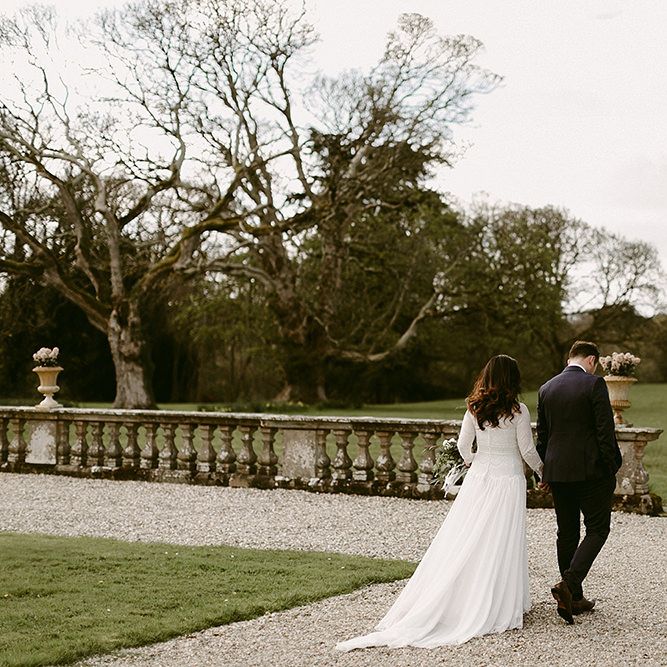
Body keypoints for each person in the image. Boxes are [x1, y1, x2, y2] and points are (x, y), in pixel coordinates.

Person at [336, 355, 543, 651]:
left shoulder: (474, 407)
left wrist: (476, 463)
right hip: (508, 480)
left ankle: (465, 597)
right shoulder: (518, 410)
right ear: (513, 379)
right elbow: (526, 449)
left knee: (468, 538)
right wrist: (543, 471)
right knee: (501, 538)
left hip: (479, 480)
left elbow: (462, 446)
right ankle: (498, 601)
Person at [536, 340, 622, 625]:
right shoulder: (594, 384)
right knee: (598, 529)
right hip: (591, 472)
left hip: (558, 471)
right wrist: (612, 467)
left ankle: (574, 597)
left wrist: (544, 473)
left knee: (567, 533)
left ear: (569, 358)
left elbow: (544, 437)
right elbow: (604, 431)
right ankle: (569, 584)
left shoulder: (546, 388)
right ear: (592, 360)